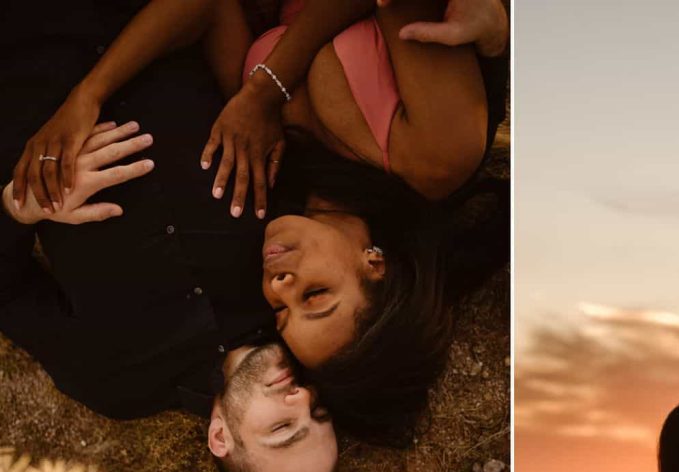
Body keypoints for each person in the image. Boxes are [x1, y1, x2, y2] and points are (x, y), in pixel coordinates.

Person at [9, 0, 510, 443]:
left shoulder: (267, 176)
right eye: (314, 296)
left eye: (279, 312)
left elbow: (212, 9)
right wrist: (266, 91)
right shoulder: (434, 160)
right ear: (377, 265)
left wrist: (28, 197)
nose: (279, 284)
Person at [0, 1, 337, 472]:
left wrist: (22, 208)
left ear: (220, 436)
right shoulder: (291, 282)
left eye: (284, 427)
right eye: (319, 411)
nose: (303, 397)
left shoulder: (116, 382)